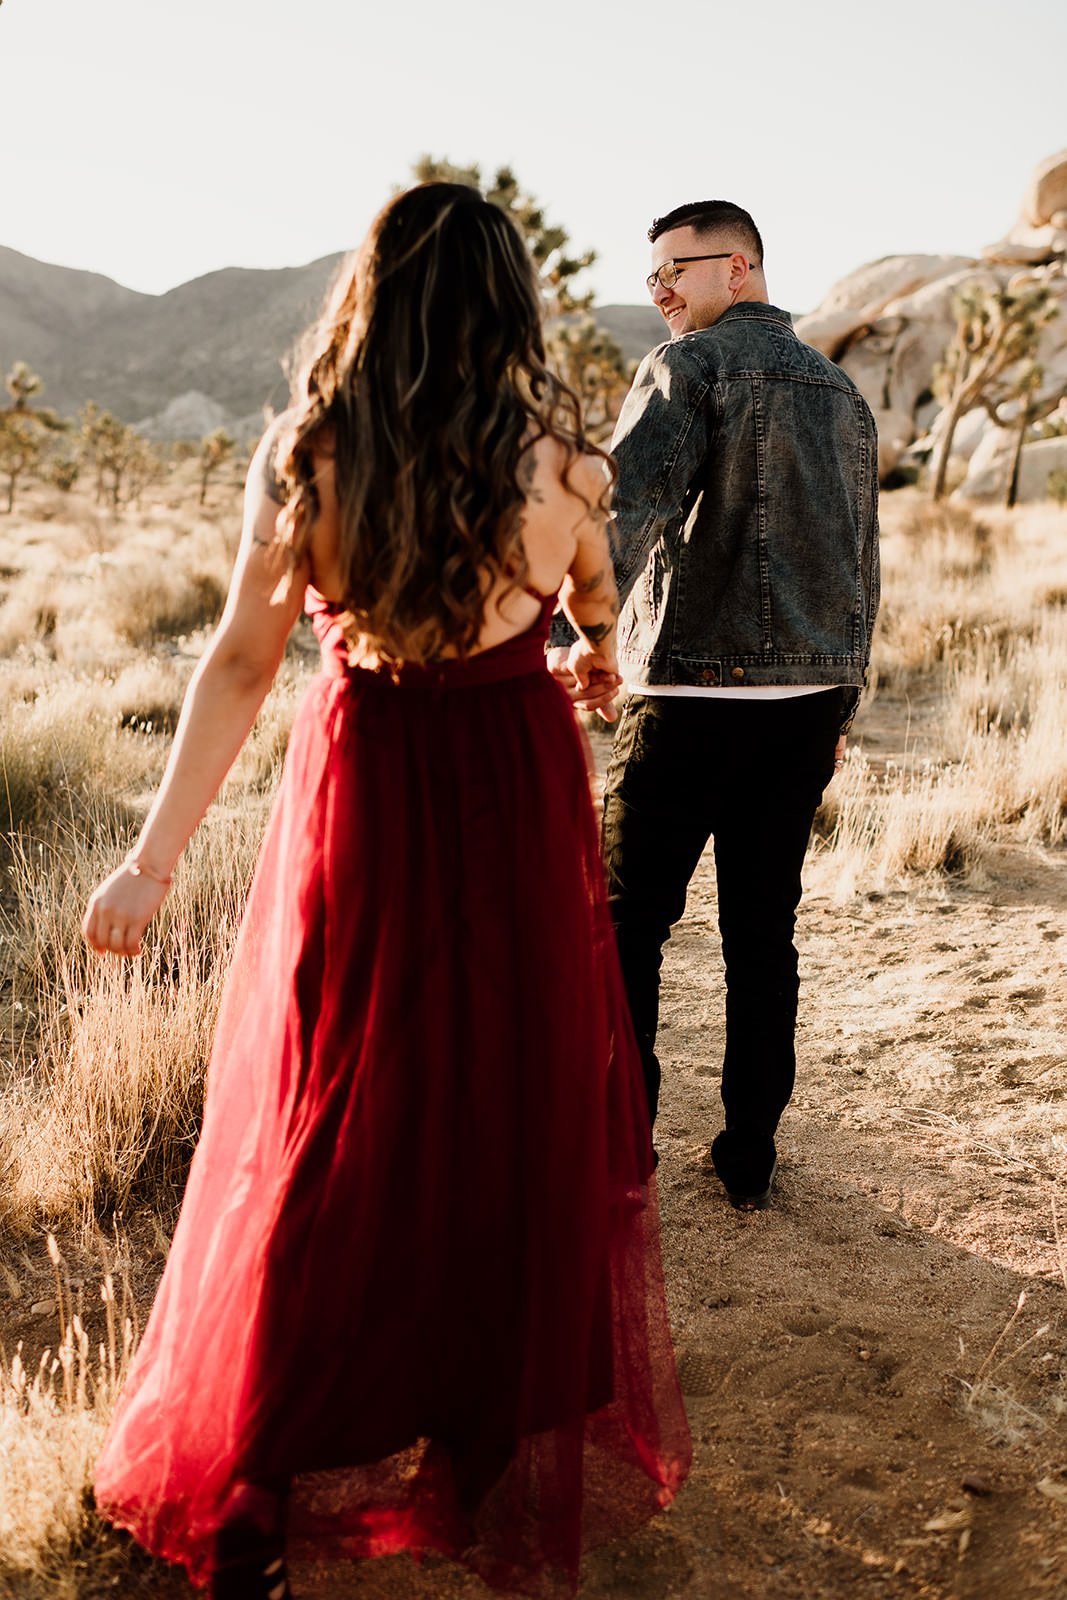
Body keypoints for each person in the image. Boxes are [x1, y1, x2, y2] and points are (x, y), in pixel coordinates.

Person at [83, 183, 690, 1600]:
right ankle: (472, 1455)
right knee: (506, 1104)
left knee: (332, 1111)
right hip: (513, 786)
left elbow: (238, 663)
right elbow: (597, 606)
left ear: (372, 296)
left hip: (362, 787)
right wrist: (589, 659)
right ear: (508, 303)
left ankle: (263, 1477)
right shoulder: (564, 469)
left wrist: (150, 857)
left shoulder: (308, 458)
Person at [552, 200, 880, 1212]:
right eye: (650, 279)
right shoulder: (840, 393)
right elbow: (862, 560)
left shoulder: (683, 369)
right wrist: (841, 710)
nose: (657, 295)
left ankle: (620, 1147)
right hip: (800, 706)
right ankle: (749, 1152)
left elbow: (626, 514)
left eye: (671, 273)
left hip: (683, 694)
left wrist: (586, 643)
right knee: (759, 930)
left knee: (626, 927)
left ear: (736, 266)